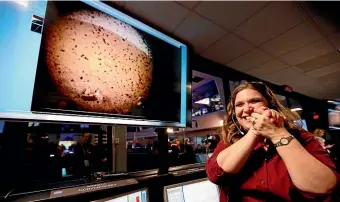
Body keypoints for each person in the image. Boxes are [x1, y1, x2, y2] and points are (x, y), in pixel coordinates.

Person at [206, 81, 339, 201]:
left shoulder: (300, 136)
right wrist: (254, 132)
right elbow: (215, 174)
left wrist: (277, 133)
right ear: (234, 114)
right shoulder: (229, 141)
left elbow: (324, 185)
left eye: (254, 101)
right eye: (239, 104)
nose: (246, 109)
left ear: (271, 106)